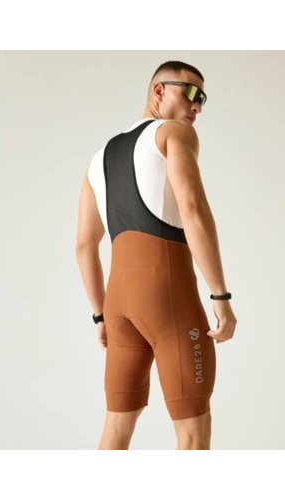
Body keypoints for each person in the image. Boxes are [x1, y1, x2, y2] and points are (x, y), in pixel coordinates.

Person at [76, 60, 237, 450]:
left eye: (204, 99)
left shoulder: (99, 158)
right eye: (191, 93)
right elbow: (192, 209)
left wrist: (100, 314)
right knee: (193, 433)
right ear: (159, 90)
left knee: (116, 427)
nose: (197, 106)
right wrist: (220, 295)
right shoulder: (173, 132)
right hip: (167, 296)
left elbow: (84, 245)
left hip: (118, 306)